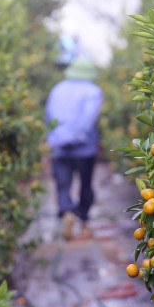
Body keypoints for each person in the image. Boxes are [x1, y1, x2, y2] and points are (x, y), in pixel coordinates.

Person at [45, 57, 103, 240]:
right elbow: (88, 118)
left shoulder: (58, 88)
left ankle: (67, 211)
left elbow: (49, 117)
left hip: (59, 147)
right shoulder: (93, 91)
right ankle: (84, 221)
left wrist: (56, 137)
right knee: (85, 184)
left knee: (63, 184)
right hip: (84, 148)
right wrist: (76, 136)